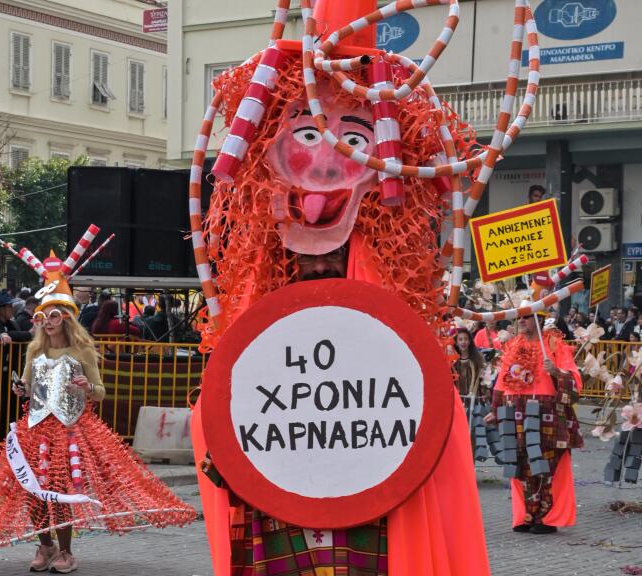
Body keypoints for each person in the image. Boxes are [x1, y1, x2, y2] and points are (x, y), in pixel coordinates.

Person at [190, 5, 490, 571]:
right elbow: (221, 428)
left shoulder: (404, 350)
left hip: (376, 520)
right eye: (306, 134)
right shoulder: (254, 328)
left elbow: (430, 445)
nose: (318, 264)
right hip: (279, 511)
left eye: (349, 137)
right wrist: (226, 455)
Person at [0, 271, 196, 572]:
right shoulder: (34, 350)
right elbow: (26, 386)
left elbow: (100, 392)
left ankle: (66, 551)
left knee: (60, 490)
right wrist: (20, 389)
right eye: (42, 316)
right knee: (33, 490)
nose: (46, 321)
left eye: (53, 316)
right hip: (35, 430)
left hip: (68, 431)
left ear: (66, 318)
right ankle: (45, 545)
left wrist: (85, 387)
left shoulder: (83, 350)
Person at [485, 309, 582, 534]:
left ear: (538, 321)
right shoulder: (512, 345)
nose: (521, 321)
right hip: (515, 413)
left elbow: (576, 380)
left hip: (547, 413)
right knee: (517, 462)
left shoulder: (554, 344)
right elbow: (502, 380)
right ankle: (525, 516)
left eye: (526, 317)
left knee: (547, 464)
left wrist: (556, 372)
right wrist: (494, 408)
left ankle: (547, 518)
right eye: (519, 317)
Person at [0, 290, 32, 448]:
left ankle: (5, 443)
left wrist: (21, 334)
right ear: (0, 308)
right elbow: (1, 334)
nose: (12, 309)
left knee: (9, 407)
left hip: (9, 373)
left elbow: (13, 334)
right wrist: (27, 334)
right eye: (9, 306)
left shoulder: (12, 322)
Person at [454, 327, 484, 399]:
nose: (463, 342)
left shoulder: (477, 359)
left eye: (466, 339)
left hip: (474, 397)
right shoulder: (454, 361)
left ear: (470, 341)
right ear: (456, 343)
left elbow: (478, 379)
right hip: (458, 397)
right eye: (460, 339)